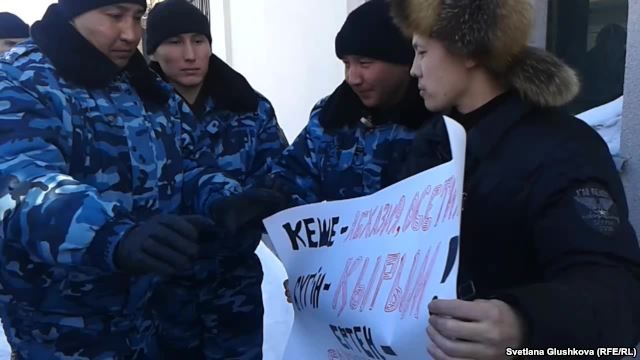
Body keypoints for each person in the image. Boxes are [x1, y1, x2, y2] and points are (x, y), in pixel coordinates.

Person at [0, 0, 259, 358]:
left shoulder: (139, 85)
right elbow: (20, 187)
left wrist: (224, 197)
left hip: (149, 324)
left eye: (137, 17)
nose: (131, 33)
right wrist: (112, 234)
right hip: (62, 335)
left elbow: (181, 165)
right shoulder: (18, 80)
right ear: (73, 14)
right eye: (114, 16)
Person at [388, 0, 640, 357]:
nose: (414, 70)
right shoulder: (433, 144)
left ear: (468, 49)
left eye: (422, 51)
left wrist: (522, 322)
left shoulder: (563, 149)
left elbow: (617, 292)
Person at [143, 0, 288, 358]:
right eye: (175, 42)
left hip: (233, 287)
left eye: (199, 40)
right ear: (153, 52)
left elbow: (280, 181)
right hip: (160, 293)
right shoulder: (135, 110)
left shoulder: (249, 108)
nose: (190, 54)